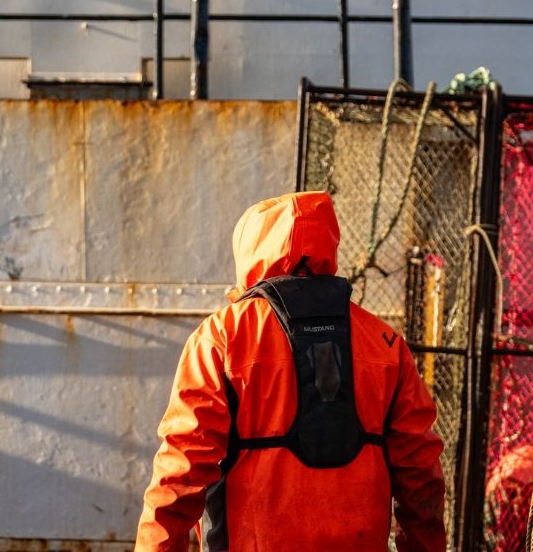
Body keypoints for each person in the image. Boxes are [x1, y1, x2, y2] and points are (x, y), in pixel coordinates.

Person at [135, 191, 446, 552]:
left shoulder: (222, 337)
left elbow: (180, 472)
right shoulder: (386, 343)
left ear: (251, 249)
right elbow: (422, 478)